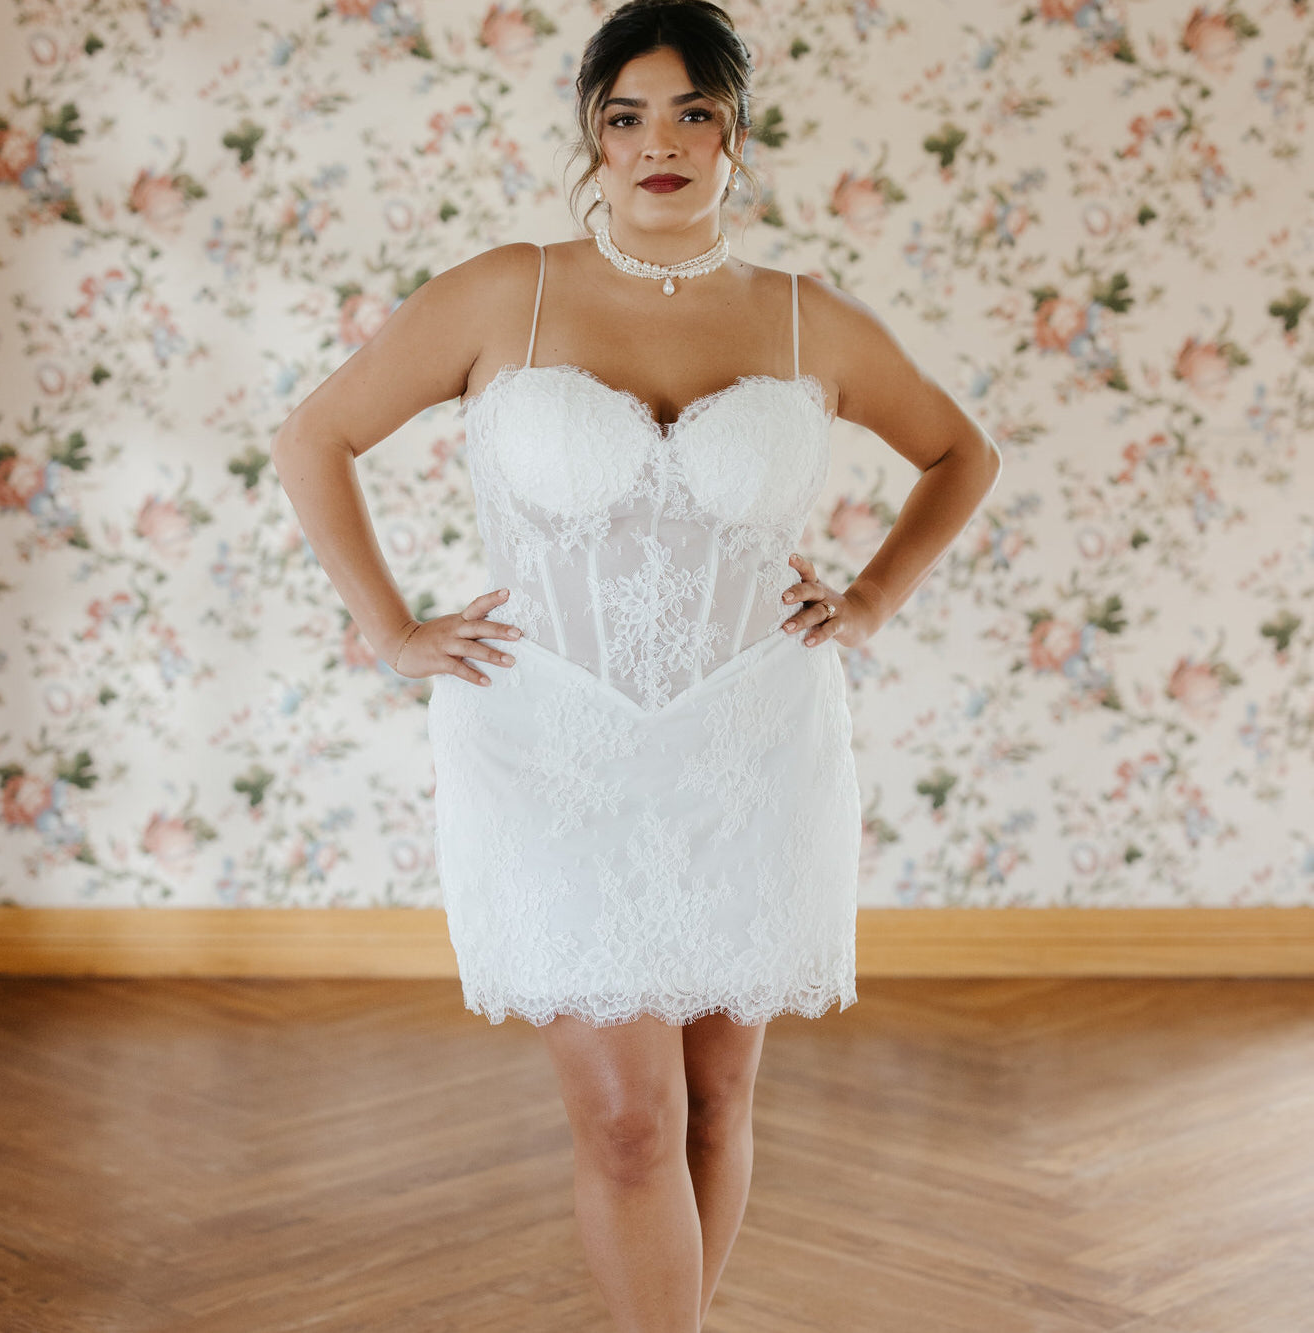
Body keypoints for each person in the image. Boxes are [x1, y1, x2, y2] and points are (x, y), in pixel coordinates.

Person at [270, 2, 1001, 1327]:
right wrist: (391, 630)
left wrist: (875, 597)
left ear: (734, 137)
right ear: (589, 140)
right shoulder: (508, 290)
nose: (656, 142)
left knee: (717, 1098)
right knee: (624, 1114)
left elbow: (963, 455)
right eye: (624, 115)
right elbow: (313, 437)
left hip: (755, 744)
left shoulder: (803, 321)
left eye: (691, 114)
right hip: (549, 746)